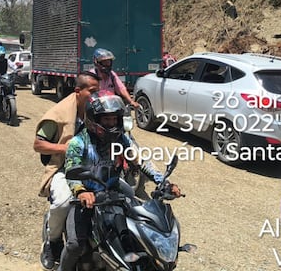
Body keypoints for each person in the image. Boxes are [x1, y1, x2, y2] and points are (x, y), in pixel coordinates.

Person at [59, 91, 178, 271]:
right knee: (75, 245)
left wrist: (163, 182)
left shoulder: (121, 139)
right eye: (107, 120)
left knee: (136, 235)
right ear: (94, 119)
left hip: (114, 192)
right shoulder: (78, 142)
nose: (112, 124)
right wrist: (81, 191)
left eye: (115, 119)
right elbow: (71, 168)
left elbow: (140, 160)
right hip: (85, 198)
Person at [33, 71, 101, 270]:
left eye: (99, 90)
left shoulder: (95, 108)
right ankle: (52, 242)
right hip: (64, 168)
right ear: (78, 91)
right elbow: (38, 145)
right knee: (63, 203)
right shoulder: (58, 114)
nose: (97, 95)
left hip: (93, 165)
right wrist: (67, 148)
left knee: (127, 195)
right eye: (92, 91)